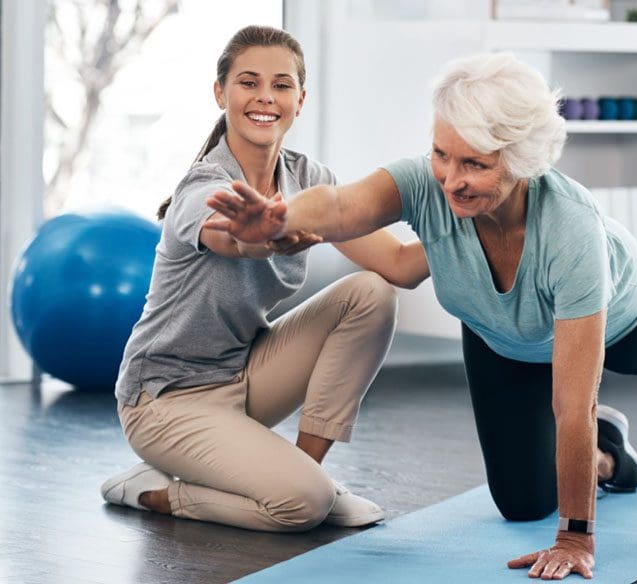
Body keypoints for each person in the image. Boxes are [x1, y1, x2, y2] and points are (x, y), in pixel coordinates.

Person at [205, 52, 637, 579]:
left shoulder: (572, 232)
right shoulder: (425, 185)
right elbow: (345, 207)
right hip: (500, 337)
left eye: (475, 164)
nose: (450, 180)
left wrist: (575, 537)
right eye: (441, 154)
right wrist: (279, 218)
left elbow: (574, 406)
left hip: (619, 315)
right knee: (523, 503)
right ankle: (608, 457)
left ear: (523, 160)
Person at [99, 25, 430, 532]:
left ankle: (305, 471)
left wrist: (475, 218)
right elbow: (233, 239)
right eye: (248, 82)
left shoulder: (310, 179)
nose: (265, 98)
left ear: (301, 98)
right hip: (164, 400)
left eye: (281, 85)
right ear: (221, 93)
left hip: (243, 375)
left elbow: (402, 267)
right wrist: (263, 236)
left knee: (371, 293)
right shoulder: (204, 185)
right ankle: (157, 492)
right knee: (301, 507)